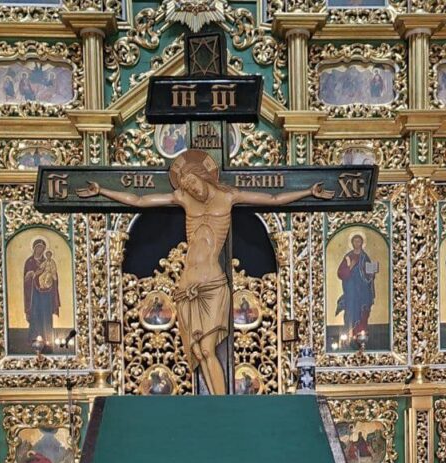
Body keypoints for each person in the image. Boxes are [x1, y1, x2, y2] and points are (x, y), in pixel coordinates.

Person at [77, 150, 334, 394]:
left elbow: (274, 199)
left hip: (212, 284)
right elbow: (139, 200)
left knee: (208, 349)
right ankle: (212, 401)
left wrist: (308, 191)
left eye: (192, 182)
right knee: (199, 352)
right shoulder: (183, 198)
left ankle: (221, 407)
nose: (191, 188)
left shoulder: (229, 196)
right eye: (186, 186)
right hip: (186, 286)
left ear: (202, 176)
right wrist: (101, 190)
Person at [336, 233, 378, 339]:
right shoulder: (348, 257)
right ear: (352, 243)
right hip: (351, 290)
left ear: (362, 243)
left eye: (359, 241)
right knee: (351, 309)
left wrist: (371, 274)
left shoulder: (365, 257)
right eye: (355, 241)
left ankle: (361, 333)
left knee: (363, 310)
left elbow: (368, 274)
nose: (357, 243)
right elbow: (340, 273)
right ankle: (350, 334)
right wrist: (350, 267)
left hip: (363, 290)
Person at [23, 238, 60, 345]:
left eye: (42, 248)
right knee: (35, 313)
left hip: (46, 293)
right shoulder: (29, 262)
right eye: (38, 247)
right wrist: (30, 274)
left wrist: (52, 277)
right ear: (34, 248)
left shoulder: (48, 261)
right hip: (33, 293)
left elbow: (54, 275)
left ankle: (48, 339)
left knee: (46, 314)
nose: (40, 250)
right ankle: (34, 338)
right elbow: (26, 279)